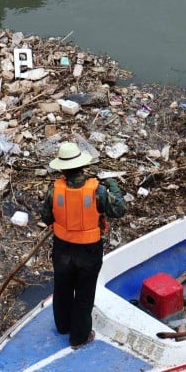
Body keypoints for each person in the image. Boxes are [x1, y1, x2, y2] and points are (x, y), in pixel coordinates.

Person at [40, 141, 126, 349]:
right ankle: (79, 337)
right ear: (82, 166)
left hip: (62, 249)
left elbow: (46, 216)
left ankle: (63, 326)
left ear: (62, 168)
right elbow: (118, 210)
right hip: (88, 251)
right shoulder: (98, 191)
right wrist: (113, 184)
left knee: (62, 289)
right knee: (84, 294)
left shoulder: (54, 190)